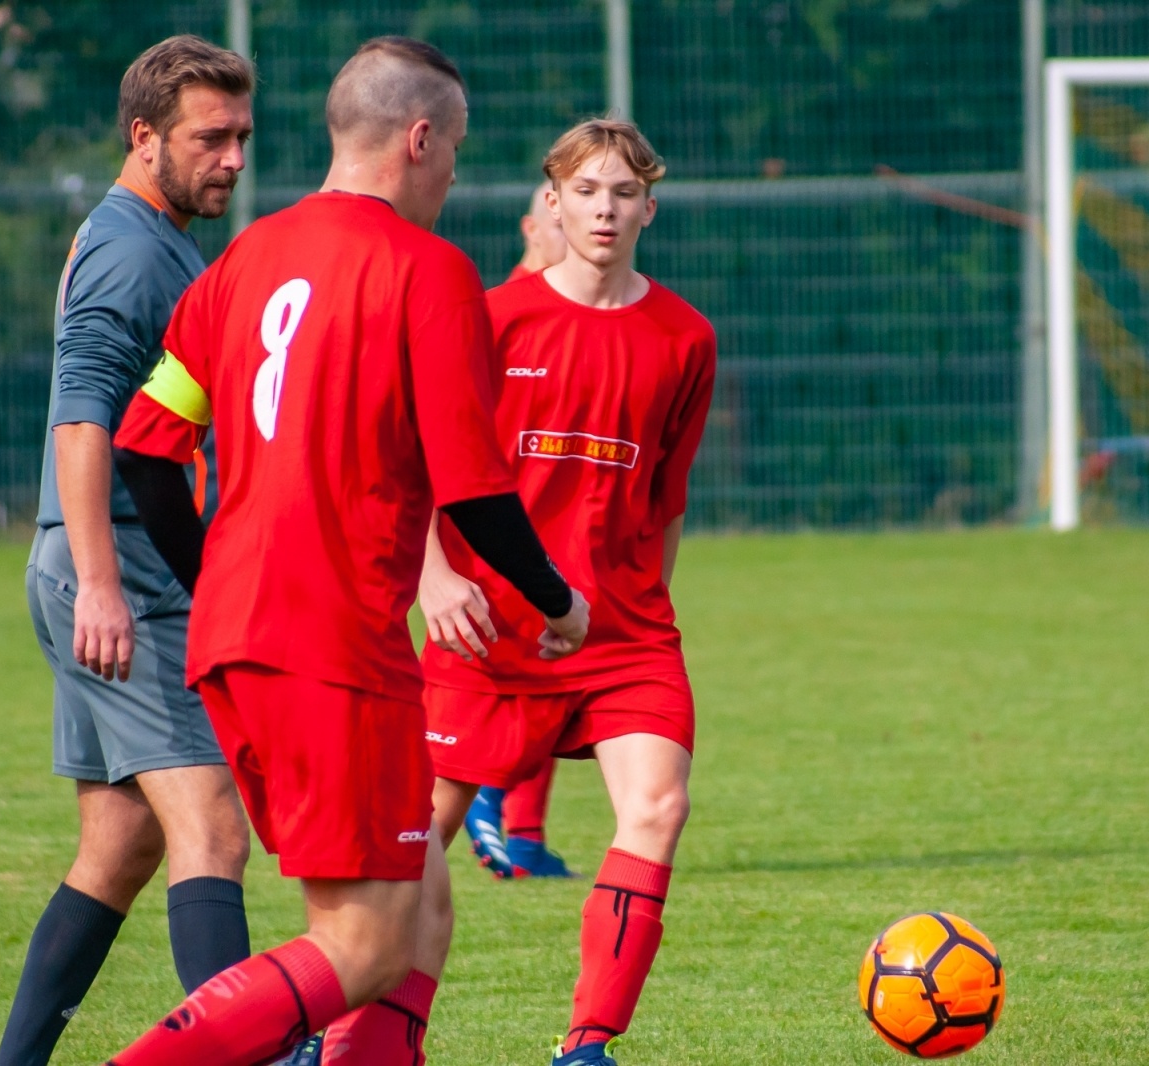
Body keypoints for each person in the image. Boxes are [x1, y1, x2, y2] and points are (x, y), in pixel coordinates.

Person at [105, 36, 589, 1066]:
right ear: (419, 140)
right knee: (364, 943)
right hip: (334, 648)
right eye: (454, 150)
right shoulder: (428, 272)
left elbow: (148, 449)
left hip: (237, 639)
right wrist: (557, 601)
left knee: (422, 904)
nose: (457, 175)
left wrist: (220, 583)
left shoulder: (243, 261)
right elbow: (474, 489)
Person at [417, 118, 716, 1066]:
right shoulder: (491, 318)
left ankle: (587, 1046)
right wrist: (435, 579)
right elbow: (415, 462)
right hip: (484, 631)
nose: (604, 208)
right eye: (586, 191)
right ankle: (366, 1035)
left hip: (624, 636)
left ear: (649, 210)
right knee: (412, 839)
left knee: (658, 809)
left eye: (624, 194)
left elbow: (667, 500)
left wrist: (641, 611)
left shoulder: (685, 338)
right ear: (552, 202)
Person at [0, 36, 255, 1066]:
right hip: (120, 574)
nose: (232, 157)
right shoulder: (130, 248)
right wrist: (100, 582)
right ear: (144, 136)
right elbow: (79, 420)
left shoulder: (145, 233)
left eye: (241, 135)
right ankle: (256, 1052)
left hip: (101, 564)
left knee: (121, 844)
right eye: (209, 138)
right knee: (215, 831)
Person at [453, 178, 575, 880]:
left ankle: (522, 831)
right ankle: (486, 795)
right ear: (534, 226)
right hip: (509, 528)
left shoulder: (582, 310)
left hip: (561, 528)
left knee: (559, 677)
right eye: (565, 209)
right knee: (527, 682)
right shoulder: (503, 315)